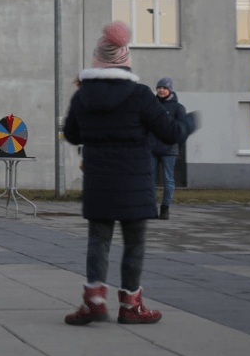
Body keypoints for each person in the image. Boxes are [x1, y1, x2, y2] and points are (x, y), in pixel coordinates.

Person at [63, 22, 194, 326]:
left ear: (98, 58)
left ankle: (94, 300)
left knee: (98, 239)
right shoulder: (140, 94)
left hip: (98, 180)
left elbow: (71, 134)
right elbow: (170, 132)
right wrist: (188, 122)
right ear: (125, 58)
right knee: (134, 243)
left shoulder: (82, 96)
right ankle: (131, 306)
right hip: (135, 181)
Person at [150, 77, 186, 220]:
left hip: (169, 149)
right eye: (159, 87)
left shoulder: (178, 108)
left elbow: (181, 128)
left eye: (164, 88)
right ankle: (151, 208)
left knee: (168, 179)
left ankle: (165, 208)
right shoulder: (151, 105)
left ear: (170, 89)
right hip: (152, 148)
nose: (161, 90)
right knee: (149, 180)